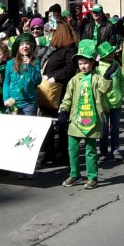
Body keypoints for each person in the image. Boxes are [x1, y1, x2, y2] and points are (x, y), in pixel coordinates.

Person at [58, 39, 116, 189]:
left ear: (92, 63)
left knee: (90, 150)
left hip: (92, 119)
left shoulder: (97, 79)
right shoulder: (74, 80)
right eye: (80, 63)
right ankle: (75, 174)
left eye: (86, 63)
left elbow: (104, 89)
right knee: (73, 148)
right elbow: (68, 98)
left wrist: (107, 77)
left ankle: (92, 176)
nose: (83, 66)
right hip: (76, 120)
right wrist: (63, 111)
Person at [38, 19, 78, 163]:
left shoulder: (70, 50)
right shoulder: (54, 49)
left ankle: (63, 154)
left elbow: (70, 69)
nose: (51, 34)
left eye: (54, 32)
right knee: (46, 121)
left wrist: (55, 77)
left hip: (61, 90)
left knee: (62, 122)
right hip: (49, 90)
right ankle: (48, 152)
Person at [97, 41, 124, 161]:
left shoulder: (116, 64)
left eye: (112, 53)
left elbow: (121, 80)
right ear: (102, 56)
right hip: (104, 103)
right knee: (103, 129)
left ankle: (116, 150)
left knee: (115, 128)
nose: (111, 55)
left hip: (116, 101)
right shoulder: (98, 68)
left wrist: (122, 92)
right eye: (108, 54)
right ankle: (103, 152)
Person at [3, 33, 41, 116]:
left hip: (29, 104)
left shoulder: (35, 62)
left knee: (28, 128)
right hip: (12, 103)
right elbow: (6, 82)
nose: (25, 46)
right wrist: (6, 98)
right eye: (22, 44)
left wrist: (30, 66)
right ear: (18, 48)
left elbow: (38, 81)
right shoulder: (10, 63)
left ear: (31, 47)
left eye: (27, 44)